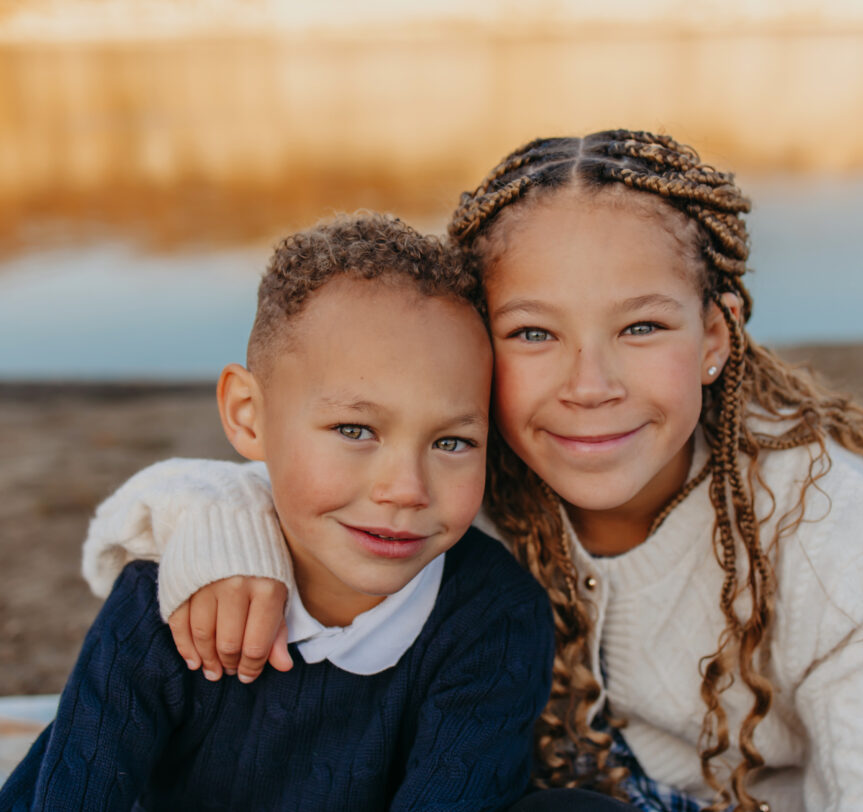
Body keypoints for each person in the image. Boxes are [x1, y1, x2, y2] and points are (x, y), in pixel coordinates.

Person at [71, 131, 863, 811]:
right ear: (475, 350)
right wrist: (232, 531)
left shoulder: (824, 524)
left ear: (716, 339)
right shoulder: (465, 473)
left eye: (642, 326)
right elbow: (199, 490)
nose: (590, 385)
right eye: (533, 333)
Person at [0, 213, 558, 811]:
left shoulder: (494, 618)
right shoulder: (160, 604)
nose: (405, 489)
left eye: (452, 442)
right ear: (248, 415)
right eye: (355, 429)